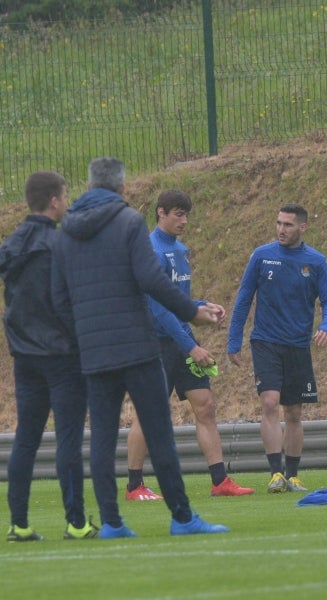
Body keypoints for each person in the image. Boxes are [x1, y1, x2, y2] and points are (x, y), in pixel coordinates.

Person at [51, 157, 229, 538]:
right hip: (136, 345)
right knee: (158, 431)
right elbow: (151, 280)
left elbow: (59, 296)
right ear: (121, 188)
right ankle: (182, 518)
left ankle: (112, 523)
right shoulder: (129, 221)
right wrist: (192, 312)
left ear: (87, 186)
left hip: (95, 352)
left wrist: (81, 337)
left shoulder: (66, 229)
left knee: (101, 437)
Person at [124, 190, 254, 500]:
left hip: (181, 339)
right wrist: (192, 346)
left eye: (186, 215)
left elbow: (175, 300)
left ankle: (220, 481)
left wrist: (200, 307)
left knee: (205, 407)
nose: (184, 220)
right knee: (149, 413)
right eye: (178, 214)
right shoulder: (152, 250)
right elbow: (158, 308)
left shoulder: (180, 250)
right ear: (160, 212)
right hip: (155, 343)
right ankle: (134, 486)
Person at [1, 171, 97, 541]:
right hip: (61, 354)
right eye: (65, 195)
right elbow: (65, 302)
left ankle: (19, 524)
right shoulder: (59, 245)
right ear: (55, 201)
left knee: (26, 438)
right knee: (68, 439)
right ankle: (76, 522)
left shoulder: (11, 244)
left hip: (24, 356)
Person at [227, 204, 327, 494]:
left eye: (288, 225)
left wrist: (326, 325)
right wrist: (233, 341)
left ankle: (293, 475)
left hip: (298, 345)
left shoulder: (315, 261)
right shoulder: (262, 256)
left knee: (294, 412)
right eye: (278, 223)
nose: (281, 229)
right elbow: (243, 299)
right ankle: (275, 473)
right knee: (269, 403)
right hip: (265, 342)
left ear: (302, 228)